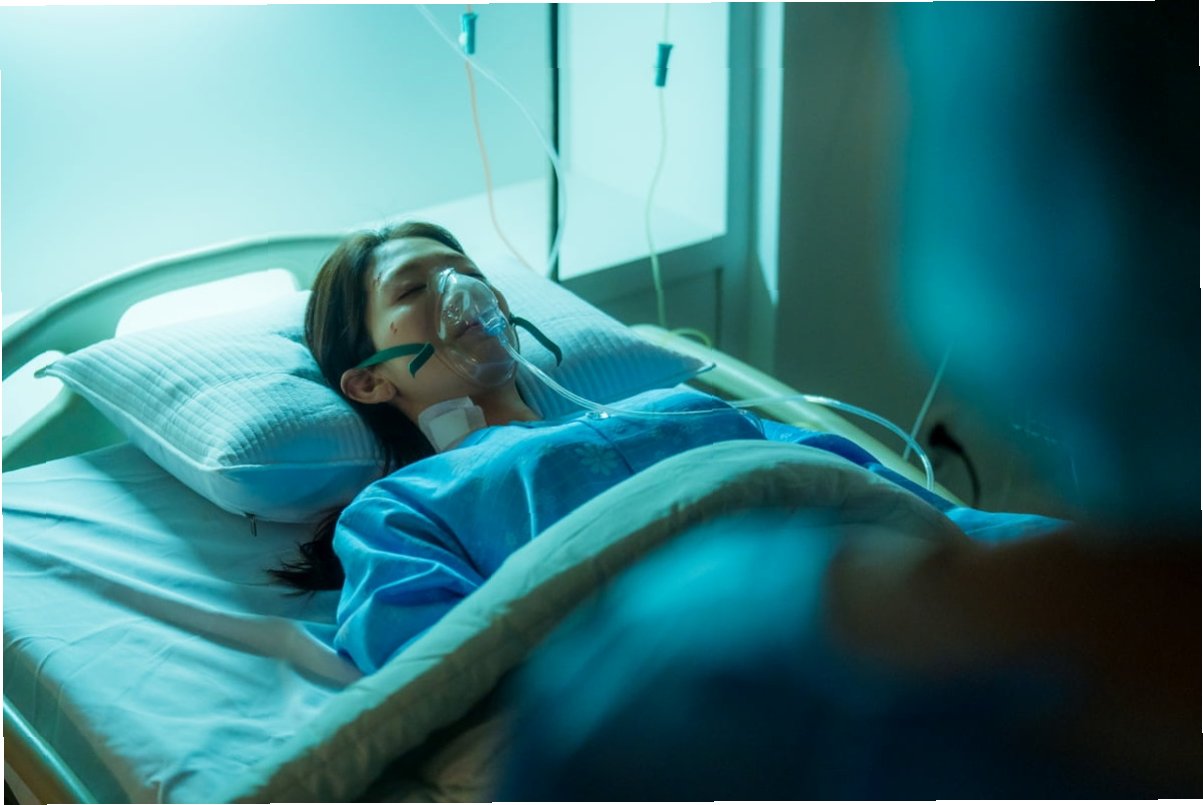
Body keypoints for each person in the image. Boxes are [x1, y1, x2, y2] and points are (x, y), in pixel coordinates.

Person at [498, 2, 1199, 799]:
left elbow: (825, 469)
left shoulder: (671, 686)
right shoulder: (422, 496)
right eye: (410, 288)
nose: (463, 300)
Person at [271, 219, 1061, 676]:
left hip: (886, 600)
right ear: (367, 381)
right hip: (716, 668)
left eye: (467, 273)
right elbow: (434, 670)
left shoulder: (674, 406)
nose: (463, 296)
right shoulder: (401, 509)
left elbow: (869, 490)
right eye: (415, 289)